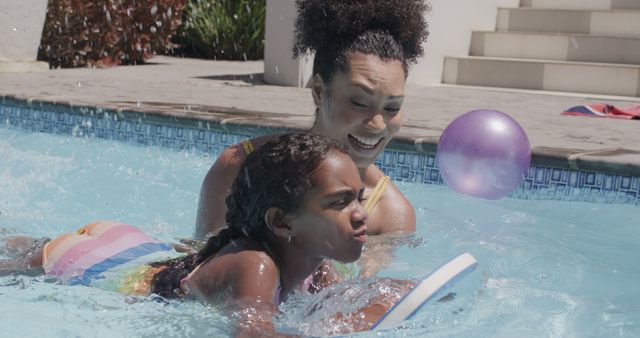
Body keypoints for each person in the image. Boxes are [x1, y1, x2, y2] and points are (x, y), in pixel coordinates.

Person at [0, 133, 405, 335]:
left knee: (24, 240)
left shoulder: (319, 265)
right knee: (15, 263)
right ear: (282, 223)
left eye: (359, 198)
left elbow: (354, 299)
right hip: (100, 268)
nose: (359, 215)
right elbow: (253, 332)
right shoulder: (256, 265)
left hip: (140, 247)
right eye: (339, 202)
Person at [196, 0, 430, 239]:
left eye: (392, 107)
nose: (378, 124)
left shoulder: (391, 214)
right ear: (319, 90)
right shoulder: (238, 167)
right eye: (359, 102)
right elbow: (199, 264)